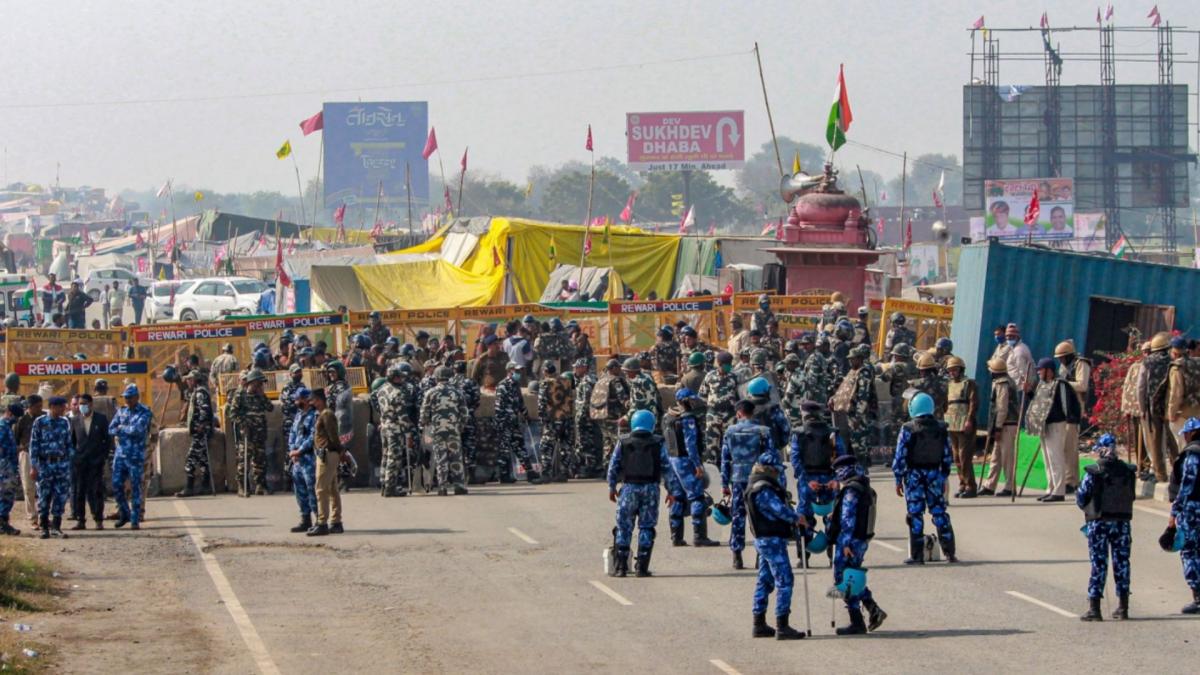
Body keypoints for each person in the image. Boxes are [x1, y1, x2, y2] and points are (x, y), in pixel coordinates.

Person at [606, 410, 681, 577]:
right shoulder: (658, 443)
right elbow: (667, 469)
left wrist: (612, 487)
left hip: (629, 489)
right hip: (651, 489)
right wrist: (672, 491)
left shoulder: (623, 442)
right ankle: (642, 567)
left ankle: (620, 567)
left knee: (623, 527)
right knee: (647, 527)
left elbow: (613, 466)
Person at [746, 452, 807, 640]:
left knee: (765, 579)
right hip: (771, 539)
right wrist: (797, 518)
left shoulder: (755, 484)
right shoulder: (763, 488)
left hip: (765, 539)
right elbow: (778, 510)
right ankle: (782, 624)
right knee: (785, 580)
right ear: (770, 470)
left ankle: (759, 623)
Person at [893, 392, 957, 564]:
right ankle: (950, 552)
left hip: (914, 476)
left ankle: (917, 555)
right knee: (940, 513)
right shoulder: (942, 428)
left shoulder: (908, 428)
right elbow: (947, 456)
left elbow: (900, 456)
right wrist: (943, 476)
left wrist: (898, 478)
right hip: (935, 475)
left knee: (915, 514)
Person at [1076, 434, 1134, 621]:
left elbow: (1081, 497)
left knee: (1099, 564)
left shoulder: (1094, 471)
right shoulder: (1127, 471)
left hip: (1099, 522)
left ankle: (1095, 608)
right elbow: (1131, 496)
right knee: (1122, 563)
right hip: (1122, 523)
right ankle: (1123, 607)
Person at [827, 455, 886, 635]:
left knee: (843, 579)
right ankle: (869, 611)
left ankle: (860, 618)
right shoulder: (863, 486)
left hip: (850, 540)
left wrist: (844, 543)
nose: (837, 475)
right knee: (851, 577)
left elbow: (848, 519)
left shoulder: (852, 490)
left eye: (839, 471)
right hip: (860, 539)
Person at [721, 399, 780, 569]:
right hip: (759, 480)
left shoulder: (730, 432)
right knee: (759, 516)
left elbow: (725, 459)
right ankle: (759, 556)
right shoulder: (764, 432)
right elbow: (772, 458)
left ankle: (737, 555)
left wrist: (725, 483)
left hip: (738, 478)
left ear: (739, 413)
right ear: (752, 413)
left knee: (738, 516)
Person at [662, 388, 719, 547]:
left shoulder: (668, 417)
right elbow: (691, 444)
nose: (694, 403)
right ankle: (699, 536)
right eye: (691, 400)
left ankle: (676, 536)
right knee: (697, 497)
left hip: (672, 460)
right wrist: (697, 465)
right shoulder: (688, 419)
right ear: (685, 401)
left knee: (678, 497)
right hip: (686, 461)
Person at [1027, 357, 1082, 501]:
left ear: (1049, 371)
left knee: (1056, 458)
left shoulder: (1060, 384)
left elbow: (1066, 404)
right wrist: (1028, 393)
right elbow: (1039, 402)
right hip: (1044, 426)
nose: (1038, 373)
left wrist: (1069, 420)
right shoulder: (1042, 384)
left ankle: (1059, 491)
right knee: (1048, 459)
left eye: (1041, 370)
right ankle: (1051, 488)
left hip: (1057, 424)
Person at [419, 366, 469, 496]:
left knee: (440, 459)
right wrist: (460, 426)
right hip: (454, 430)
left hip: (437, 431)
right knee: (456, 458)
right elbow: (464, 413)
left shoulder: (430, 392)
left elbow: (424, 414)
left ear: (436, 377)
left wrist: (425, 427)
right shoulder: (457, 392)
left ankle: (442, 487)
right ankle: (459, 486)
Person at [30, 396, 74, 539]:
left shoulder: (64, 423)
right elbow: (34, 445)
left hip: (61, 464)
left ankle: (56, 527)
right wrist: (33, 466)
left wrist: (70, 461)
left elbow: (68, 444)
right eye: (61, 406)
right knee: (44, 496)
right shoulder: (40, 422)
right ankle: (44, 527)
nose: (64, 409)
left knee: (60, 496)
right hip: (45, 464)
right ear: (53, 406)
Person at [109, 385, 152, 530]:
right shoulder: (121, 411)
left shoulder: (145, 412)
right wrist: (123, 429)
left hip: (135, 456)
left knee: (136, 488)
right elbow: (111, 429)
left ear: (136, 397)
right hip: (120, 455)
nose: (126, 400)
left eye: (129, 397)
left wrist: (121, 429)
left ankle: (135, 519)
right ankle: (125, 513)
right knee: (116, 486)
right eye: (125, 397)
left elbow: (138, 430)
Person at [1170, 417, 1200, 614]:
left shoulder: (1192, 456)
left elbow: (1187, 486)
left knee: (1190, 552)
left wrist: (1174, 512)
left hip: (1193, 510)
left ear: (1190, 434)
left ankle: (1198, 597)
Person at [830, 344, 878, 468]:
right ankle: (856, 468)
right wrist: (834, 399)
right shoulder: (852, 372)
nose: (850, 360)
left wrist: (858, 416)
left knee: (860, 445)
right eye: (849, 358)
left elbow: (864, 396)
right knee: (852, 443)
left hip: (859, 414)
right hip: (850, 413)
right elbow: (844, 390)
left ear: (860, 358)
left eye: (853, 358)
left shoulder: (864, 372)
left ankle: (862, 470)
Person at [226, 368, 273, 496]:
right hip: (247, 433)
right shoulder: (240, 395)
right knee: (243, 461)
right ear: (252, 382)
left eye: (261, 384)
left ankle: (260, 485)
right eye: (258, 383)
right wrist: (243, 423)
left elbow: (270, 408)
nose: (260, 386)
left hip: (260, 433)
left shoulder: (260, 395)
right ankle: (242, 486)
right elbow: (233, 414)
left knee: (260, 460)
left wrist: (263, 395)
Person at [1139, 332, 1178, 483]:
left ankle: (1160, 474)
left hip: (1152, 406)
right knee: (1172, 441)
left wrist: (1142, 409)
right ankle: (1178, 473)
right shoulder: (1173, 361)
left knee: (1155, 442)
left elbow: (1140, 387)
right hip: (1168, 406)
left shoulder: (1147, 362)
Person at [495, 361, 542, 484]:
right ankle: (504, 475)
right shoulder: (502, 386)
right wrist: (505, 422)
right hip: (504, 423)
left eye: (519, 371)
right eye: (516, 371)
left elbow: (520, 403)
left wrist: (526, 414)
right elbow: (499, 408)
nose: (518, 373)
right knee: (504, 450)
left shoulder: (516, 385)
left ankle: (530, 472)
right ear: (509, 371)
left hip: (514, 422)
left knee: (520, 446)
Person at [68, 394, 110, 530]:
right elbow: (72, 442)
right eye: (80, 403)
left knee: (96, 490)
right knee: (80, 491)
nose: (82, 406)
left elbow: (107, 441)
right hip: (80, 463)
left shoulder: (101, 419)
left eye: (84, 403)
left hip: (96, 462)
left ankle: (98, 519)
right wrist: (74, 457)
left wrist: (102, 457)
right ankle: (81, 520)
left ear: (91, 404)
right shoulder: (74, 420)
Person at [980, 357, 1020, 497]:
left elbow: (1002, 408)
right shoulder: (1002, 381)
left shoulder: (1003, 383)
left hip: (1006, 425)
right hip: (1003, 424)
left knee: (1007, 457)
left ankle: (1010, 487)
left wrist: (997, 428)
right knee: (995, 457)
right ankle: (989, 485)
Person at [308, 389, 345, 536]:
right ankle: (336, 522)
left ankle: (322, 522)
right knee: (331, 489)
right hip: (327, 453)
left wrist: (339, 451)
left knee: (321, 489)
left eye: (314, 400)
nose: (312, 403)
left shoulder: (327, 414)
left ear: (320, 400)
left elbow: (333, 436)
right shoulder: (322, 414)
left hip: (327, 454)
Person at [1056, 340, 1092, 493]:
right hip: (1063, 407)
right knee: (1062, 446)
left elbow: (1082, 385)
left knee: (1070, 447)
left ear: (1069, 355)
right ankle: (1065, 478)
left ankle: (1072, 481)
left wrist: (1063, 383)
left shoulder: (1080, 364)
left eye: (1063, 357)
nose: (1061, 360)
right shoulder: (1063, 367)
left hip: (1075, 407)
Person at [944, 356, 979, 498]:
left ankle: (971, 486)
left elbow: (973, 403)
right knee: (956, 457)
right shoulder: (949, 384)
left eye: (955, 369)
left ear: (961, 369)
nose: (952, 372)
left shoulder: (969, 383)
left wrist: (969, 420)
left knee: (965, 457)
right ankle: (962, 484)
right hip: (951, 423)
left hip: (965, 423)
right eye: (950, 370)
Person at [176, 370, 214, 497]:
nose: (187, 382)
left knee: (190, 459)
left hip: (201, 432)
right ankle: (205, 485)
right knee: (203, 459)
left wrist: (201, 425)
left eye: (189, 379)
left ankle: (189, 487)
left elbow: (205, 410)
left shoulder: (200, 393)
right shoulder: (197, 392)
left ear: (194, 380)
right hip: (201, 431)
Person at [535, 363, 573, 482]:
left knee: (546, 446)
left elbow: (542, 403)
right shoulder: (566, 381)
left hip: (553, 419)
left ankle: (546, 474)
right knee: (565, 446)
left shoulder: (545, 383)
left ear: (545, 371)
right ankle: (563, 473)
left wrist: (542, 418)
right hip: (567, 417)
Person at [287, 388, 318, 533]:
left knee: (312, 490)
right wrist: (293, 450)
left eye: (298, 399)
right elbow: (292, 433)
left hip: (308, 457)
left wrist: (300, 450)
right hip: (297, 460)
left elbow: (313, 437)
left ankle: (319, 520)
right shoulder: (299, 415)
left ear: (306, 399)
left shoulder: (314, 416)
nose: (296, 402)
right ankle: (305, 519)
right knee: (300, 491)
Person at [701, 351, 740, 465]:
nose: (727, 366)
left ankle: (729, 470)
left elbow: (740, 397)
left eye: (729, 363)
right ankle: (713, 470)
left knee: (730, 444)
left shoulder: (735, 377)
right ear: (719, 363)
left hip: (730, 415)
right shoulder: (710, 376)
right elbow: (703, 395)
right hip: (713, 415)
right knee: (712, 445)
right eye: (724, 363)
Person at [590, 358, 630, 468]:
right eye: (618, 367)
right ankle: (619, 469)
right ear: (613, 368)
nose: (620, 370)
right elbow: (623, 398)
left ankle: (607, 467)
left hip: (601, 415)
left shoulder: (601, 380)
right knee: (617, 442)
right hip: (613, 416)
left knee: (607, 442)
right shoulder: (615, 380)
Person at [16, 395, 43, 528]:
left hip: (42, 455)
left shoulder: (43, 419)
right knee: (28, 487)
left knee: (43, 486)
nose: (40, 409)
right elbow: (16, 440)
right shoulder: (22, 420)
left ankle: (43, 515)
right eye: (37, 406)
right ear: (30, 407)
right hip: (26, 454)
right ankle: (32, 517)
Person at [0, 403, 21, 536]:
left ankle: (3, 522)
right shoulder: (2, 427)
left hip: (8, 466)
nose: (17, 419)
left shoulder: (7, 427)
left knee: (7, 495)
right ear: (9, 413)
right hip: (5, 468)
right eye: (16, 416)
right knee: (6, 495)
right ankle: (3, 523)